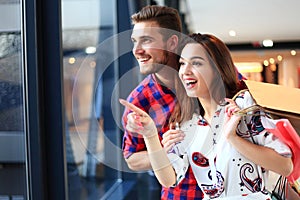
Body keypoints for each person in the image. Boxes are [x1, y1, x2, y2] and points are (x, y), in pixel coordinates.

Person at [120, 33, 293, 199]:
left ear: (217, 68)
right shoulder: (187, 121)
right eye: (182, 64)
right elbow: (169, 179)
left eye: (196, 63)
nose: (185, 71)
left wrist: (233, 138)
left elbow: (285, 166)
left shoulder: (242, 105)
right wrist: (150, 135)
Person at [121, 5, 204, 199]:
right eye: (134, 41)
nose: (137, 50)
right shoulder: (139, 100)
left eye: (146, 40)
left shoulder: (209, 72)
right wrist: (165, 152)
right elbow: (131, 159)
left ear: (172, 42)